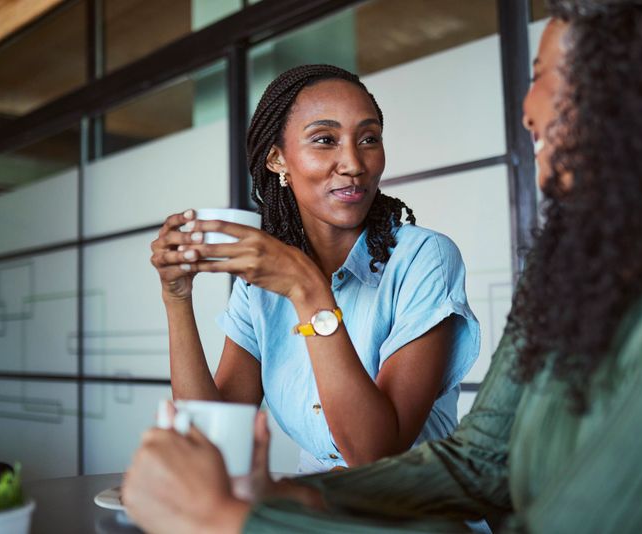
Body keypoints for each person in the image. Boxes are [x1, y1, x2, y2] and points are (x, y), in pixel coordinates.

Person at [126, 0, 642, 532]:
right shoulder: (574, 269)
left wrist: (228, 520)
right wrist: (288, 501)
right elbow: (478, 464)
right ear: (277, 160)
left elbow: (385, 450)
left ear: (641, 92)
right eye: (324, 140)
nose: (528, 110)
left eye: (544, 75)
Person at [148, 64, 480, 473]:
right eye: (325, 140)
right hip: (315, 511)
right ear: (276, 159)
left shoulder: (424, 259)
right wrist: (176, 298)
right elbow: (216, 443)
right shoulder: (262, 287)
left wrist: (308, 290)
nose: (354, 163)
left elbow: (376, 455)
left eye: (369, 139)